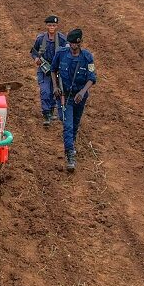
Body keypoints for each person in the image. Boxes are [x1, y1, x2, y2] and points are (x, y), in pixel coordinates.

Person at [51, 28, 96, 172]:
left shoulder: (87, 57)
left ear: (80, 43)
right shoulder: (61, 53)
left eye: (75, 44)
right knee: (68, 125)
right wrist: (55, 87)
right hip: (65, 96)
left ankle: (71, 143)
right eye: (70, 44)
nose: (72, 47)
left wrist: (83, 92)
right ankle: (70, 155)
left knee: (75, 123)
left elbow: (92, 78)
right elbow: (53, 70)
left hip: (79, 97)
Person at [30, 15, 67, 126]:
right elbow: (34, 51)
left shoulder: (61, 39)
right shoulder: (41, 39)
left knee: (54, 90)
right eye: (50, 25)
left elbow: (67, 51)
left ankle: (51, 111)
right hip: (44, 69)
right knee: (45, 90)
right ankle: (46, 114)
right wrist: (36, 58)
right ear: (46, 26)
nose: (52, 27)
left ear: (57, 26)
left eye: (54, 25)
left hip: (56, 70)